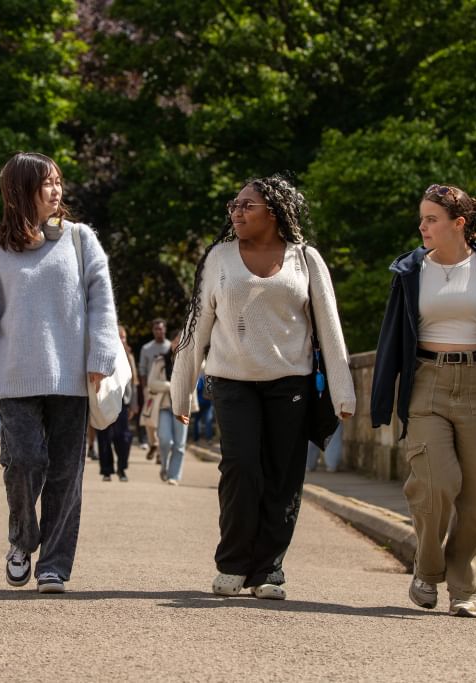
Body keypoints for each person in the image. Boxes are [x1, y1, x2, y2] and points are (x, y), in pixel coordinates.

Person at [170, 174, 355, 600]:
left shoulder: (305, 259)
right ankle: (233, 564)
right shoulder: (219, 257)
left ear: (273, 212)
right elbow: (196, 326)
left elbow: (330, 328)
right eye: (233, 205)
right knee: (241, 467)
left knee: (283, 476)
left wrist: (343, 391)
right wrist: (183, 390)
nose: (236, 212)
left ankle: (268, 570)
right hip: (232, 382)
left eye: (246, 205)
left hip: (290, 382)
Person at [370, 183, 476, 618]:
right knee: (434, 483)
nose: (422, 226)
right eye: (422, 218)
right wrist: (378, 400)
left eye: (431, 218)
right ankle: (427, 571)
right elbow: (392, 338)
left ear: (459, 223)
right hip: (426, 382)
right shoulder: (411, 272)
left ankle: (463, 588)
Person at [0, 152, 119, 594]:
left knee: (67, 472)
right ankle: (22, 539)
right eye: (46, 182)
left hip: (71, 378)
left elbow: (101, 301)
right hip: (14, 379)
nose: (56, 190)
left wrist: (101, 356)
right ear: (20, 190)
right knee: (24, 461)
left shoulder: (80, 240)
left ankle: (54, 565)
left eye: (58, 181)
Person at [147, 330, 195, 485]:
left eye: (184, 341)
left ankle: (174, 476)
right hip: (164, 407)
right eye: (176, 341)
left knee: (180, 444)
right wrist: (169, 386)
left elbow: (203, 368)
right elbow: (151, 383)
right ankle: (164, 466)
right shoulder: (160, 361)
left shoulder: (192, 361)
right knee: (165, 440)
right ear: (172, 343)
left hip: (182, 407)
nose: (179, 344)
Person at [97, 325, 139, 482]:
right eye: (118, 336)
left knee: (123, 437)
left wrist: (133, 404)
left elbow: (134, 381)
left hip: (123, 401)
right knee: (105, 436)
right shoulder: (103, 354)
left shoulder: (129, 356)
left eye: (124, 337)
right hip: (105, 400)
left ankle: (122, 468)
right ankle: (106, 470)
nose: (122, 340)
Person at [138, 319, 170, 460]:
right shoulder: (146, 348)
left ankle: (160, 453)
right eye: (156, 329)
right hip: (151, 389)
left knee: (162, 419)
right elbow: (142, 370)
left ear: (165, 330)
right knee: (148, 418)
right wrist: (145, 388)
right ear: (153, 331)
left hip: (166, 389)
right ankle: (153, 443)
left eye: (161, 329)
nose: (159, 331)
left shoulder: (171, 347)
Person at [190, 371, 215, 445]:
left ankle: (196, 438)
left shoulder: (199, 378)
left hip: (200, 402)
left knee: (197, 420)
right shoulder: (209, 377)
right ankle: (209, 439)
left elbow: (197, 389)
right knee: (208, 421)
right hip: (209, 403)